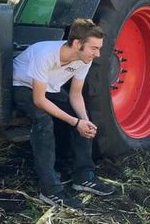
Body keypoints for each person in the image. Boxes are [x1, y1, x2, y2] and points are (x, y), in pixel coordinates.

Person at [12, 18, 115, 209]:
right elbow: (39, 100)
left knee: (84, 118)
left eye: (99, 48)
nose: (98, 54)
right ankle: (50, 190)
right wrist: (75, 122)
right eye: (94, 48)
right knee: (44, 121)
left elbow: (75, 95)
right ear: (77, 43)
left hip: (49, 88)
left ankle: (84, 175)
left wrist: (83, 121)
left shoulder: (84, 59)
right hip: (23, 86)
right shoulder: (45, 54)